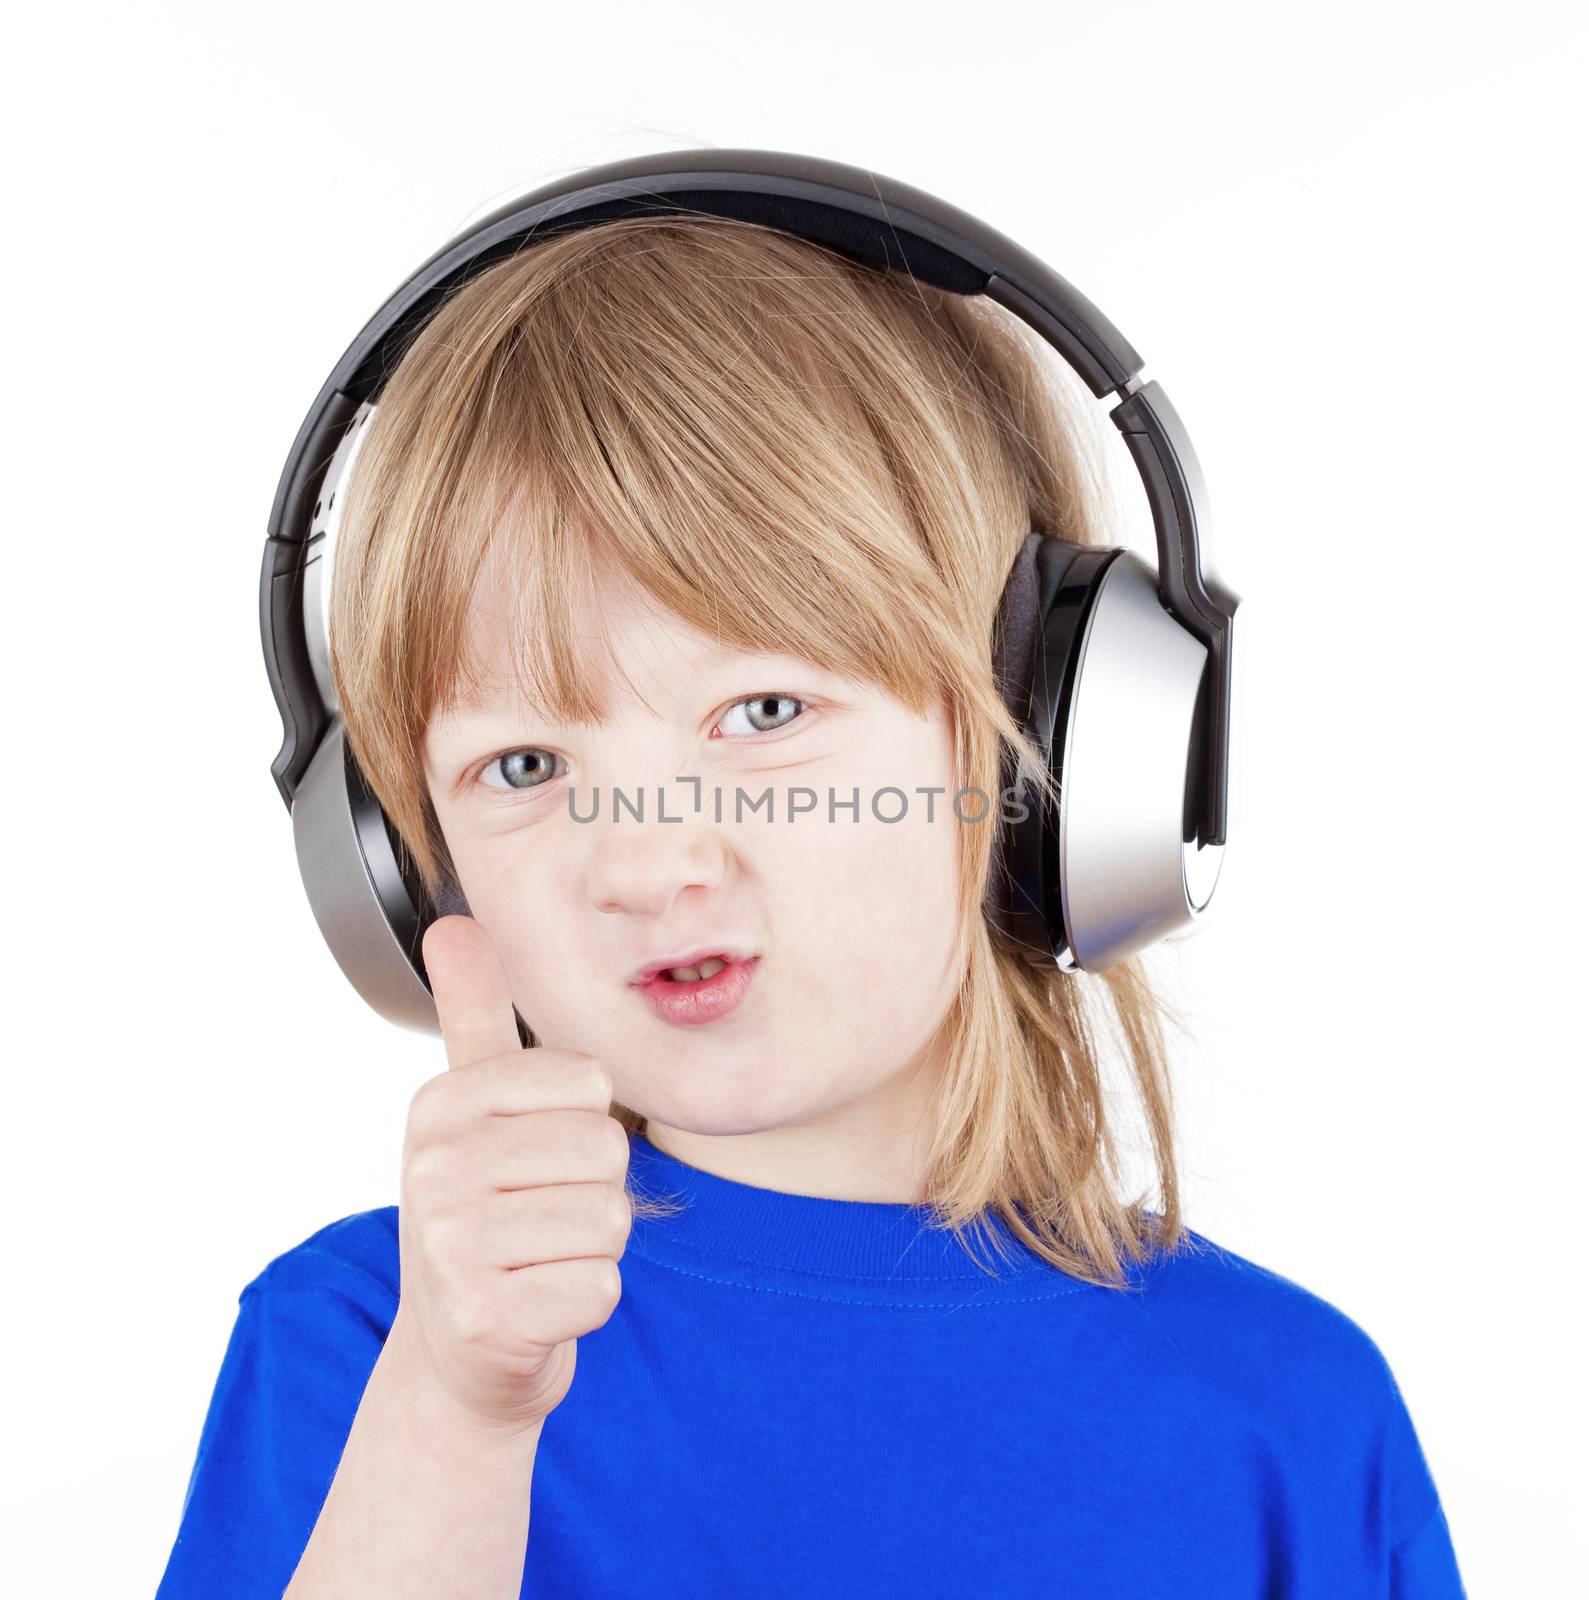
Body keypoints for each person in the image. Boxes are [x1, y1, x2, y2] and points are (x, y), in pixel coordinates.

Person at [154, 211, 1465, 1598]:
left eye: (763, 711)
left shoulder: (1286, 1416)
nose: (648, 862)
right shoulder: (377, 1349)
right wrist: (454, 1420)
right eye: (524, 764)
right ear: (401, 861)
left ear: (1042, 756)